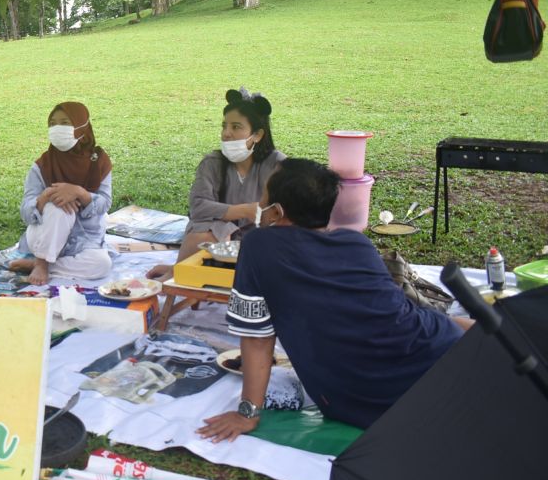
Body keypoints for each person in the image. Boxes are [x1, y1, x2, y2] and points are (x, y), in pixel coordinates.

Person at [197, 159, 473, 442]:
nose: (259, 204)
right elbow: (393, 312)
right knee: (472, 328)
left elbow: (257, 339)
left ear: (276, 211)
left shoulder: (258, 246)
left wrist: (247, 413)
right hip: (436, 351)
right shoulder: (357, 243)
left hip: (370, 401)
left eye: (263, 198)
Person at [149, 87, 284, 282]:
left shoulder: (278, 165)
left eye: (236, 127)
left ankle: (183, 270)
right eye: (224, 126)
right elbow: (198, 207)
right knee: (205, 229)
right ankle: (180, 273)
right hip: (219, 242)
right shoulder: (213, 163)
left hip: (260, 242)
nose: (226, 133)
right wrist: (246, 210)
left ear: (257, 135)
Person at [10, 102, 113, 286]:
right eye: (53, 124)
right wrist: (45, 198)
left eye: (65, 123)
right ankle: (41, 263)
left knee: (102, 265)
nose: (58, 128)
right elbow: (26, 212)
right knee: (58, 207)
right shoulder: (43, 165)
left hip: (84, 239)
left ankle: (42, 266)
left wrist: (80, 193)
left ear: (81, 126)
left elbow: (105, 203)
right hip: (44, 236)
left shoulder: (99, 162)